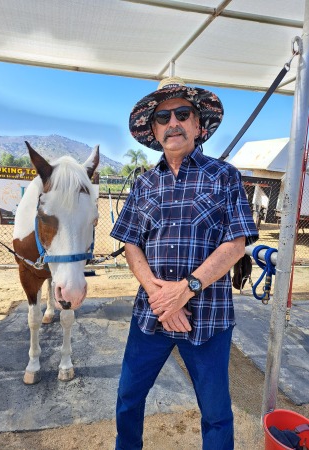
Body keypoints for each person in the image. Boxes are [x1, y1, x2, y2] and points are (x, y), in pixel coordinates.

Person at [110, 76, 259, 450]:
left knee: (216, 414)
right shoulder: (144, 184)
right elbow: (130, 243)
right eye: (163, 117)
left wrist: (185, 290)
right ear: (155, 131)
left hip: (207, 318)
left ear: (198, 125)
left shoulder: (225, 176)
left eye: (182, 113)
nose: (172, 122)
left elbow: (236, 243)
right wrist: (160, 296)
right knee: (128, 400)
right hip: (152, 315)